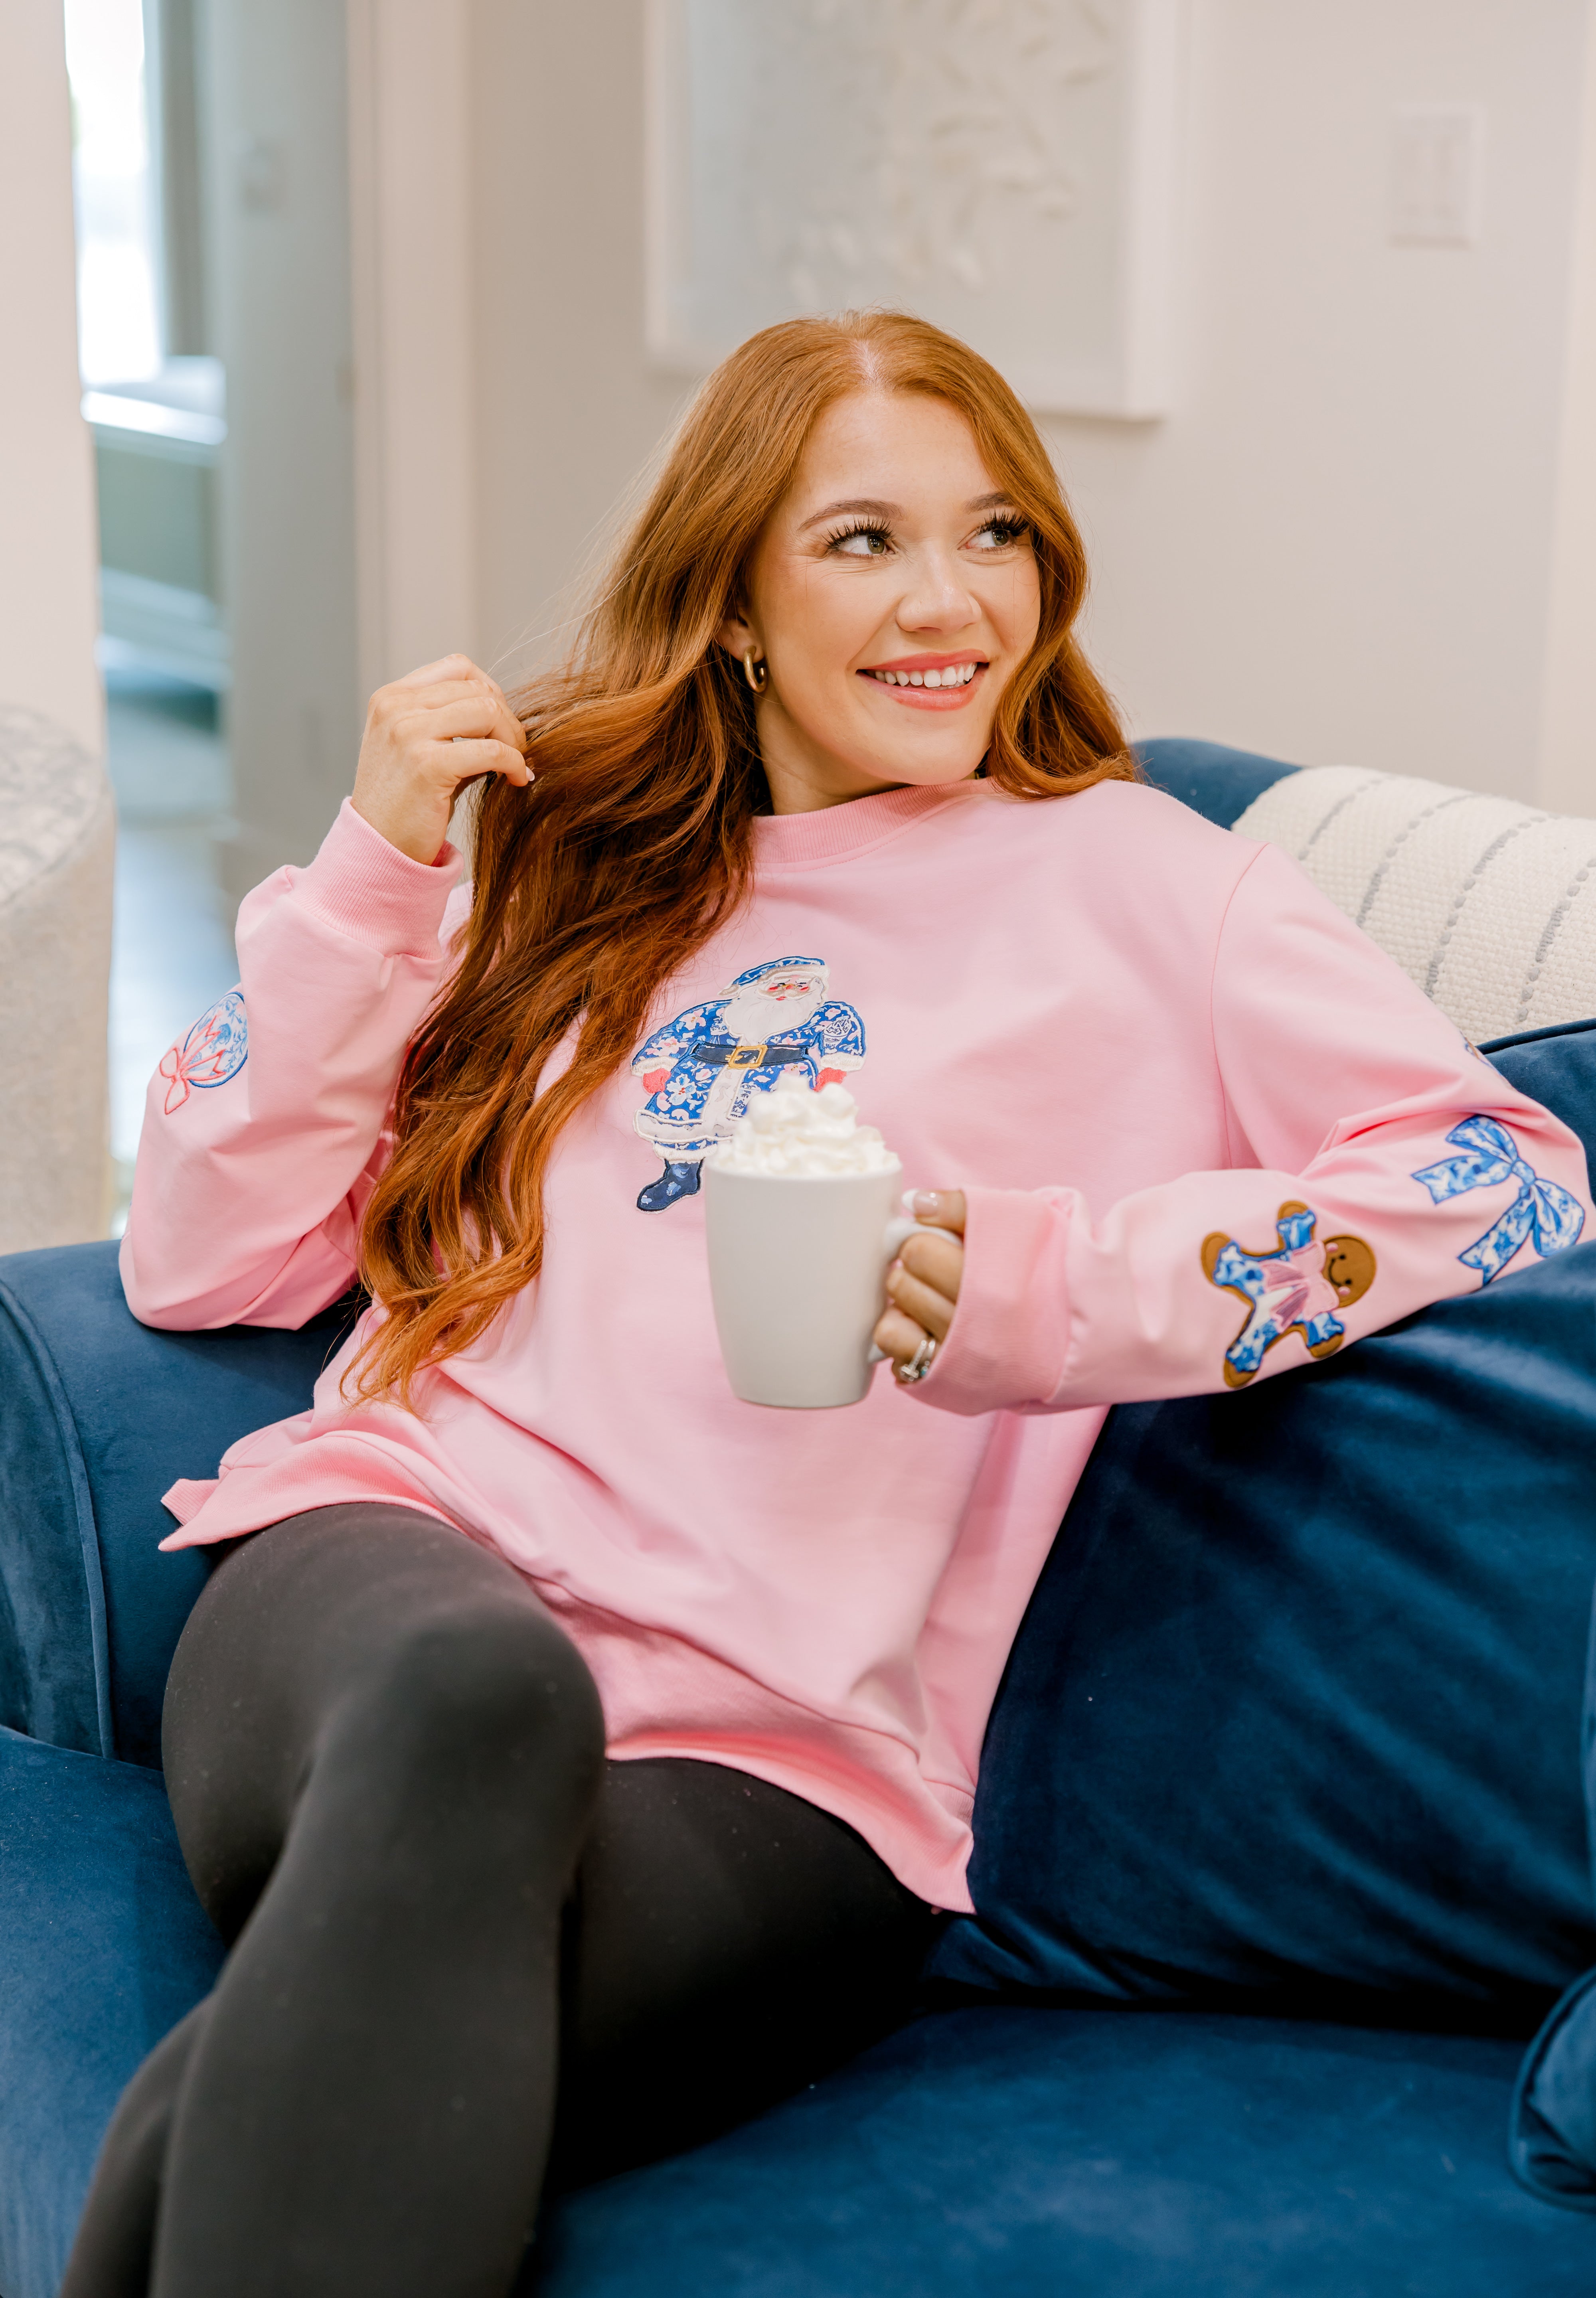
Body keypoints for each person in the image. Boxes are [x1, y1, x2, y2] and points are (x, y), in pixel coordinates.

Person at [66, 310, 1591, 2297]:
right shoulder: (560, 859)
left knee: (295, 2069)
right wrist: (370, 876)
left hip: (798, 1759)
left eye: (995, 538)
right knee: (474, 1697)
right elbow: (199, 1251)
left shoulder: (1149, 883)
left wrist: (1069, 1289)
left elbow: (1506, 1174)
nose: (948, 601)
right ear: (732, 603)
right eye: (862, 540)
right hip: (402, 1574)